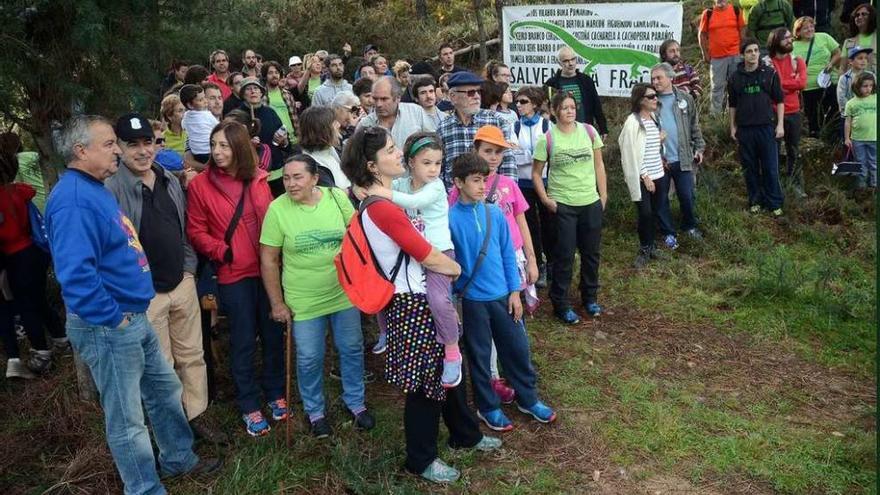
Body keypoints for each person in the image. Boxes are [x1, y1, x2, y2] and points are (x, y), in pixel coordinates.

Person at [47, 115, 221, 494]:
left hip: (133, 314)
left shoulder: (94, 188)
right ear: (81, 151)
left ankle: (179, 457)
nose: (117, 150)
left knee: (162, 390)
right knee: (127, 418)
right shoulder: (73, 201)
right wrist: (114, 318)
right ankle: (144, 487)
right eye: (109, 143)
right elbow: (76, 276)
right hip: (110, 325)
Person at [339, 126, 500, 484]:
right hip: (412, 302)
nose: (398, 154)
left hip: (421, 296)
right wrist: (456, 267)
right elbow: (427, 255)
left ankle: (465, 434)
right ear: (372, 163)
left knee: (449, 370)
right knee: (426, 384)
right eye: (392, 150)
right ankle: (421, 458)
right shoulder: (383, 208)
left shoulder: (384, 200)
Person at [105, 113, 224, 444]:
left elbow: (184, 231)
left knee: (192, 357)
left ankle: (197, 416)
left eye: (148, 143)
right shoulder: (111, 189)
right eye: (133, 145)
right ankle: (171, 431)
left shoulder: (169, 180)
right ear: (119, 148)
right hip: (146, 295)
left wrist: (188, 271)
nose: (143, 151)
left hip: (181, 284)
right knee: (161, 367)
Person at [259, 155, 374, 438]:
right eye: (286, 178)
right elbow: (269, 259)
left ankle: (356, 403)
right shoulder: (277, 210)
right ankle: (315, 411)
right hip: (304, 298)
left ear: (314, 178)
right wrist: (277, 302)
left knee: (351, 348)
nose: (290, 183)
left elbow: (358, 235)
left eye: (297, 177)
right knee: (310, 357)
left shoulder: (336, 198)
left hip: (343, 291)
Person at [186, 120, 286, 437]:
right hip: (233, 273)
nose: (216, 151)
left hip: (268, 270)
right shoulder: (201, 185)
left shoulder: (259, 179)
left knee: (272, 334)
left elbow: (273, 219)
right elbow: (195, 230)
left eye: (224, 145)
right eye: (214, 145)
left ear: (240, 147)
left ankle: (274, 392)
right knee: (242, 340)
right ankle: (249, 404)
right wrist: (222, 251)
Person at [448, 152, 556, 432]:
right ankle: (487, 406)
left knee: (518, 349)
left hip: (503, 296)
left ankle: (528, 398)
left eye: (484, 180)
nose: (483, 185)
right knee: (480, 356)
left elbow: (508, 254)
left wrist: (514, 292)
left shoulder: (494, 213)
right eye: (475, 180)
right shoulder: (449, 220)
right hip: (472, 301)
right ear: (458, 183)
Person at [357, 132, 464, 387]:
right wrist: (359, 187)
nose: (433, 169)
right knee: (387, 291)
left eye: (438, 163)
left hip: (438, 252)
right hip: (412, 254)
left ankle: (452, 351)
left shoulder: (436, 186)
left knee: (437, 299)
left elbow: (413, 202)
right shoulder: (402, 184)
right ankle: (385, 333)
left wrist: (378, 191)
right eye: (427, 163)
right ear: (411, 162)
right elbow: (379, 192)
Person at [531, 91, 607, 324]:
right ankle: (561, 303)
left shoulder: (589, 131)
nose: (570, 111)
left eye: (572, 106)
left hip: (589, 202)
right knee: (564, 256)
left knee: (591, 253)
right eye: (564, 107)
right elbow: (536, 173)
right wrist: (545, 199)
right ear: (554, 111)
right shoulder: (548, 138)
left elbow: (599, 165)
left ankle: (589, 297)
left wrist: (602, 196)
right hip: (563, 204)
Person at [0, 135, 64, 375]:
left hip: (15, 257)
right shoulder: (19, 192)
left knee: (25, 306)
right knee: (40, 298)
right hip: (35, 251)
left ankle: (42, 353)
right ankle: (60, 337)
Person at [728, 37, 786, 217]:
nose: (753, 54)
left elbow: (780, 100)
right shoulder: (735, 77)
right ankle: (755, 201)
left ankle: (774, 202)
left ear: (759, 53)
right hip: (745, 129)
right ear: (742, 55)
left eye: (755, 50)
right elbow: (732, 104)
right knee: (750, 167)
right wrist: (732, 126)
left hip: (766, 128)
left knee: (770, 167)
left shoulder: (769, 73)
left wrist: (780, 125)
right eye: (748, 51)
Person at [619, 84, 674, 268]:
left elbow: (648, 145)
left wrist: (660, 141)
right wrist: (645, 176)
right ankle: (644, 248)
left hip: (659, 173)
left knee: (656, 212)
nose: (655, 99)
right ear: (641, 100)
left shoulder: (654, 118)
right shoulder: (632, 122)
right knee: (645, 213)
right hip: (644, 177)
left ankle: (652, 247)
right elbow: (630, 152)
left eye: (655, 95)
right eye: (651, 96)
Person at [651, 63, 707, 242]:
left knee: (687, 196)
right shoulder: (650, 102)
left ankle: (689, 227)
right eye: (653, 78)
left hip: (683, 158)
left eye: (659, 78)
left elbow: (694, 126)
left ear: (670, 77)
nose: (655, 81)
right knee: (661, 199)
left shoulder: (685, 98)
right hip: (661, 161)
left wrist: (699, 148)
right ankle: (668, 232)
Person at [438, 71, 517, 188]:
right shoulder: (443, 128)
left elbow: (508, 162)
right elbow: (440, 168)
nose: (476, 96)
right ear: (453, 97)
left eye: (478, 91)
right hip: (454, 200)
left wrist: (507, 194)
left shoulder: (496, 121)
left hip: (491, 198)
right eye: (470, 92)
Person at [512, 86, 554, 289]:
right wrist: (533, 155)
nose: (518, 105)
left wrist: (527, 154)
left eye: (523, 102)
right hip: (523, 184)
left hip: (545, 182)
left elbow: (550, 153)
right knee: (530, 227)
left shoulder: (547, 125)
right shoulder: (515, 127)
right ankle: (538, 264)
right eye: (517, 102)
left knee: (549, 225)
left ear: (535, 104)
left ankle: (553, 263)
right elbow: (513, 155)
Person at [768, 27, 807, 197]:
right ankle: (774, 185)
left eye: (791, 38)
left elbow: (802, 84)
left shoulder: (798, 61)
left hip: (794, 112)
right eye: (786, 39)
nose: (790, 41)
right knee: (772, 150)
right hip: (773, 112)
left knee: (794, 150)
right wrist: (791, 82)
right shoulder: (768, 62)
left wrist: (783, 84)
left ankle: (796, 185)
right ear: (776, 41)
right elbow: (772, 86)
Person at [792, 16, 842, 137]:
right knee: (813, 119)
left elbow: (838, 53)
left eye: (811, 26)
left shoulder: (824, 37)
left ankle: (833, 143)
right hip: (808, 88)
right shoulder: (793, 46)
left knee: (832, 114)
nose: (809, 29)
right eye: (805, 28)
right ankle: (817, 143)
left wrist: (831, 64)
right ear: (798, 32)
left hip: (828, 83)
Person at [543, 46, 608, 135]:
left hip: (584, 132)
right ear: (559, 63)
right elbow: (545, 109)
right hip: (561, 134)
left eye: (573, 59)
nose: (571, 63)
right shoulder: (551, 83)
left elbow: (596, 106)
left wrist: (603, 128)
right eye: (566, 61)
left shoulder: (586, 81)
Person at [357, 76, 437, 148]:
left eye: (384, 99)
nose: (378, 104)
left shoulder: (415, 112)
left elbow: (433, 143)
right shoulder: (365, 124)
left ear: (398, 98)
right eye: (375, 99)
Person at [699, 0, 747, 114]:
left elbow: (742, 29)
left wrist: (742, 49)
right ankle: (715, 116)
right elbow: (702, 34)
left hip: (735, 55)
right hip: (716, 57)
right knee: (717, 87)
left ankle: (734, 113)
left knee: (735, 86)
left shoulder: (735, 11)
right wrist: (705, 53)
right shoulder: (708, 13)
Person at [239, 77, 292, 170]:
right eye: (248, 88)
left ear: (261, 93)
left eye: (256, 88)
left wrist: (284, 141)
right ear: (243, 94)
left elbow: (286, 145)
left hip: (276, 170)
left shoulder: (270, 112)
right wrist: (247, 144)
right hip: (250, 172)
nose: (253, 91)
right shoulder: (237, 115)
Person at [299, 106, 348, 189]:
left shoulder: (331, 149)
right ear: (323, 130)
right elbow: (334, 194)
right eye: (334, 123)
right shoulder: (313, 165)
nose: (339, 125)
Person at [844, 72, 877, 189]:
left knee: (874, 162)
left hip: (874, 137)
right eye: (865, 86)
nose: (868, 89)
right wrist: (847, 138)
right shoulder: (851, 103)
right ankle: (861, 185)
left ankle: (874, 184)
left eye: (871, 86)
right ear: (857, 87)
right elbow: (847, 122)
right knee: (860, 162)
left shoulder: (875, 98)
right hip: (858, 139)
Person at [179, 84, 219, 164]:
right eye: (200, 100)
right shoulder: (207, 115)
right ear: (190, 105)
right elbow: (218, 127)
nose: (205, 101)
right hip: (209, 151)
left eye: (204, 97)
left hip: (196, 153)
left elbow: (184, 127)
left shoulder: (186, 117)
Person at [262, 61, 298, 138]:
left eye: (276, 72)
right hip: (274, 140)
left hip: (293, 140)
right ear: (265, 75)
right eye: (270, 73)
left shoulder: (287, 94)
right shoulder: (261, 96)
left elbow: (295, 118)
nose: (274, 75)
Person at [838, 47, 875, 119]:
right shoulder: (844, 78)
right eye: (860, 58)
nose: (864, 61)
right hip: (850, 116)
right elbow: (841, 98)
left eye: (865, 58)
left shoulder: (872, 76)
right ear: (851, 61)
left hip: (869, 115)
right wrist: (853, 111)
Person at [840, 4, 877, 73]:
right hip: (852, 83)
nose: (860, 17)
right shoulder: (848, 42)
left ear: (872, 17)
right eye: (857, 15)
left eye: (864, 14)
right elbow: (842, 68)